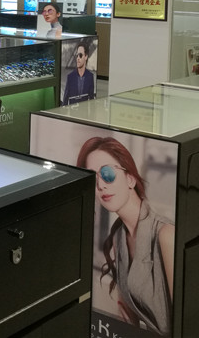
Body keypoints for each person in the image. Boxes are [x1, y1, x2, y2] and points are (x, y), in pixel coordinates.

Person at [77, 137, 174, 335]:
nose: (101, 186)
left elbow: (185, 322)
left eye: (107, 174)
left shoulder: (165, 235)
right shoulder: (118, 239)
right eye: (92, 179)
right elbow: (129, 318)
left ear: (130, 179)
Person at [63, 41, 96, 105]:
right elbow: (65, 101)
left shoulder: (90, 76)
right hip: (72, 110)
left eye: (80, 55)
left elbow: (91, 100)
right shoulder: (70, 77)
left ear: (86, 57)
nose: (78, 58)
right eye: (77, 55)